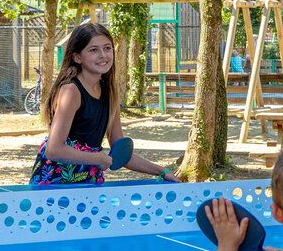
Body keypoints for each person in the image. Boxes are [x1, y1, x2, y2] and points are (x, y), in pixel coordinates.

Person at [30, 21, 179, 184]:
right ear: (77, 57)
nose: (103, 55)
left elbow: (121, 157)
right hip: (55, 180)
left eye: (107, 48)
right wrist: (95, 158)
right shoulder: (71, 91)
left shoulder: (110, 93)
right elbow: (54, 150)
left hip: (89, 179)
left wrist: (163, 171)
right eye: (94, 50)